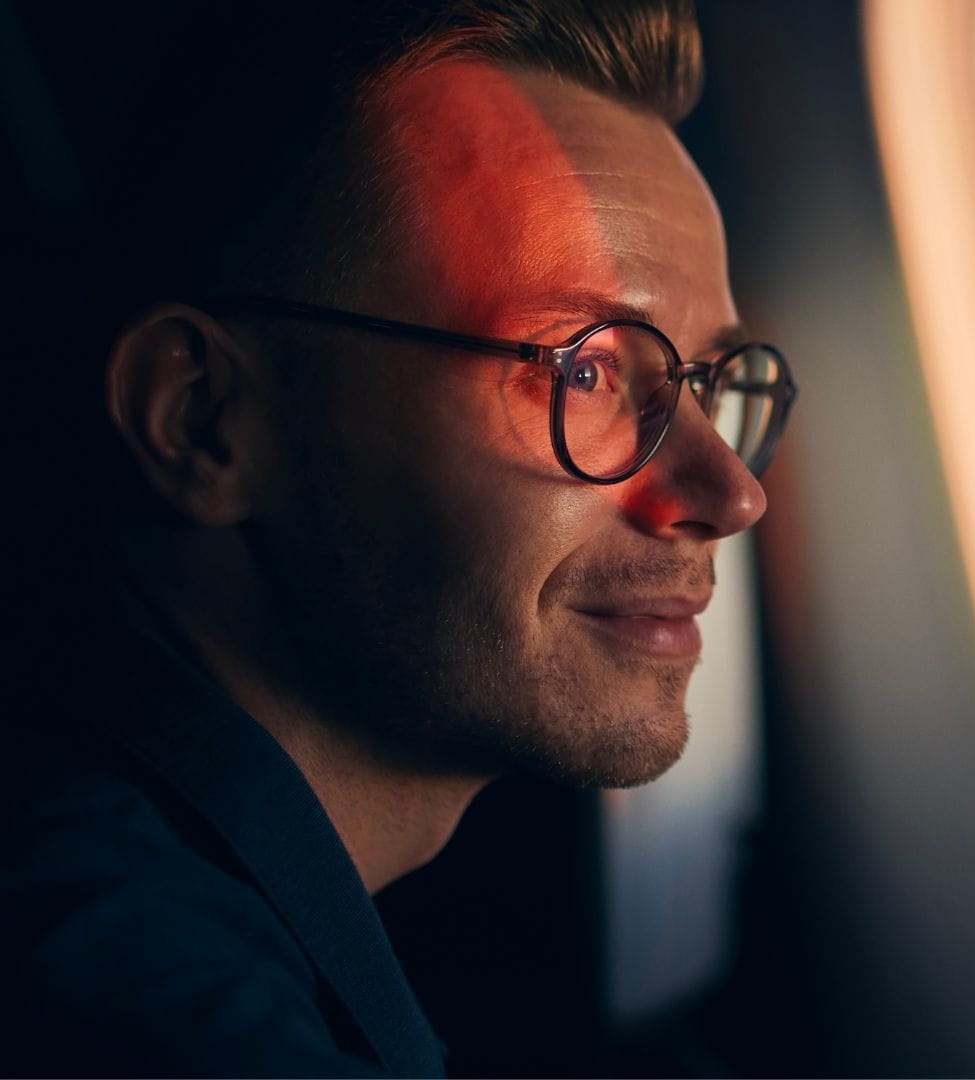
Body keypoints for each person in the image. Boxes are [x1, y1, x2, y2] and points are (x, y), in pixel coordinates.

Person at [1, 1, 796, 1076]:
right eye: (587, 371)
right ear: (203, 418)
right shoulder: (144, 1017)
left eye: (707, 382)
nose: (731, 492)